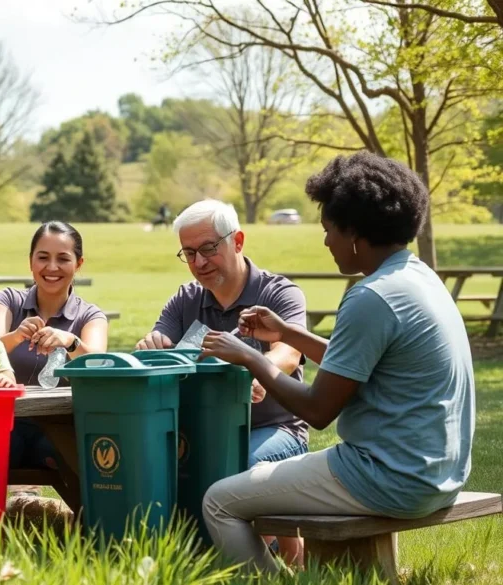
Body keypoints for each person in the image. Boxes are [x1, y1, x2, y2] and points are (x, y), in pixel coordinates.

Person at [198, 152, 475, 573]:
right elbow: (357, 364)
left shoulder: (370, 297)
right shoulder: (416, 277)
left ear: (354, 234)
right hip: (440, 473)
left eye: (329, 230)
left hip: (388, 478)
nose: (326, 242)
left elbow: (317, 410)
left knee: (219, 501)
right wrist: (288, 333)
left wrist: (249, 357)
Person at [134, 198, 309, 563]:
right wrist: (153, 345)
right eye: (189, 252)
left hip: (276, 429)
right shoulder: (186, 301)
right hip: (201, 430)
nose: (199, 263)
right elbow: (159, 345)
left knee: (230, 468)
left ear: (238, 241)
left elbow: (288, 354)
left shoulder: (278, 294)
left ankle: (282, 561)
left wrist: (258, 372)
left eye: (209, 249)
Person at [0, 221, 107, 500]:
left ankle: (93, 529)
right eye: (43, 257)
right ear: (30, 262)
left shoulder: (90, 316)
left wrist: (71, 342)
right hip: (5, 425)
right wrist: (17, 335)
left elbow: (100, 365)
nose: (51, 267)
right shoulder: (9, 300)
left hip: (60, 429)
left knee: (74, 453)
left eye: (63, 259)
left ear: (78, 264)